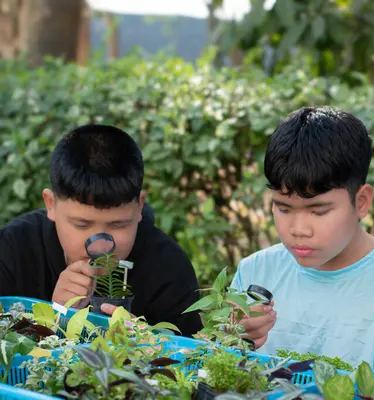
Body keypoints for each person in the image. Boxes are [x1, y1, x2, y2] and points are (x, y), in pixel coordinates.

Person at [0, 124, 273, 343]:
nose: (100, 246)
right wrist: (52, 316)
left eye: (118, 225)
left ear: (139, 207)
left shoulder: (167, 267)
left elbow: (192, 357)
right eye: (82, 225)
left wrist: (146, 343)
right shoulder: (14, 249)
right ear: (51, 205)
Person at [232, 106, 374, 369]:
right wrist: (230, 342)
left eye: (319, 211)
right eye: (284, 208)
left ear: (362, 201)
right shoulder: (256, 271)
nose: (298, 229)